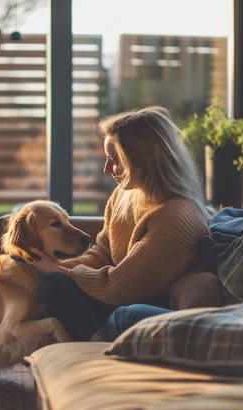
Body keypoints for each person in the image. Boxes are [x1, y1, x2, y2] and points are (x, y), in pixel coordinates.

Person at [30, 106, 211, 341]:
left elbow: (117, 287)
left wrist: (61, 269)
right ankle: (93, 332)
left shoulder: (175, 217)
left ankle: (98, 338)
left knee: (120, 314)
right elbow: (103, 252)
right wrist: (60, 266)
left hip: (145, 302)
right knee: (52, 284)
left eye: (115, 160)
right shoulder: (123, 194)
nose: (107, 169)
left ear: (144, 160)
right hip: (114, 292)